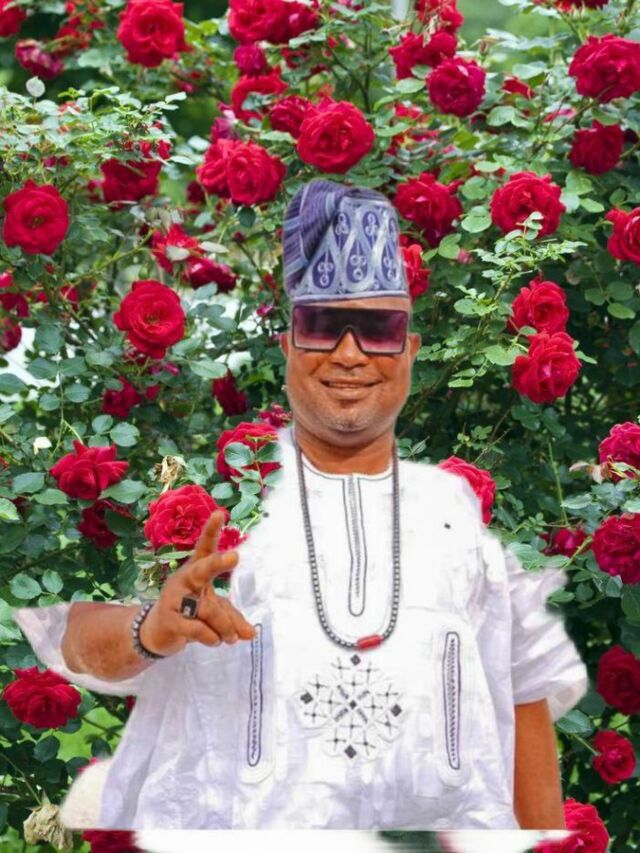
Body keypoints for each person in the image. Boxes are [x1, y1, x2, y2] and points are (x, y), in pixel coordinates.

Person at [12, 178, 588, 831]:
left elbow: (522, 698)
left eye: (378, 329)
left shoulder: (457, 515)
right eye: (323, 327)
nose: (350, 353)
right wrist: (154, 626)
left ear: (409, 350)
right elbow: (70, 634)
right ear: (289, 345)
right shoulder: (200, 501)